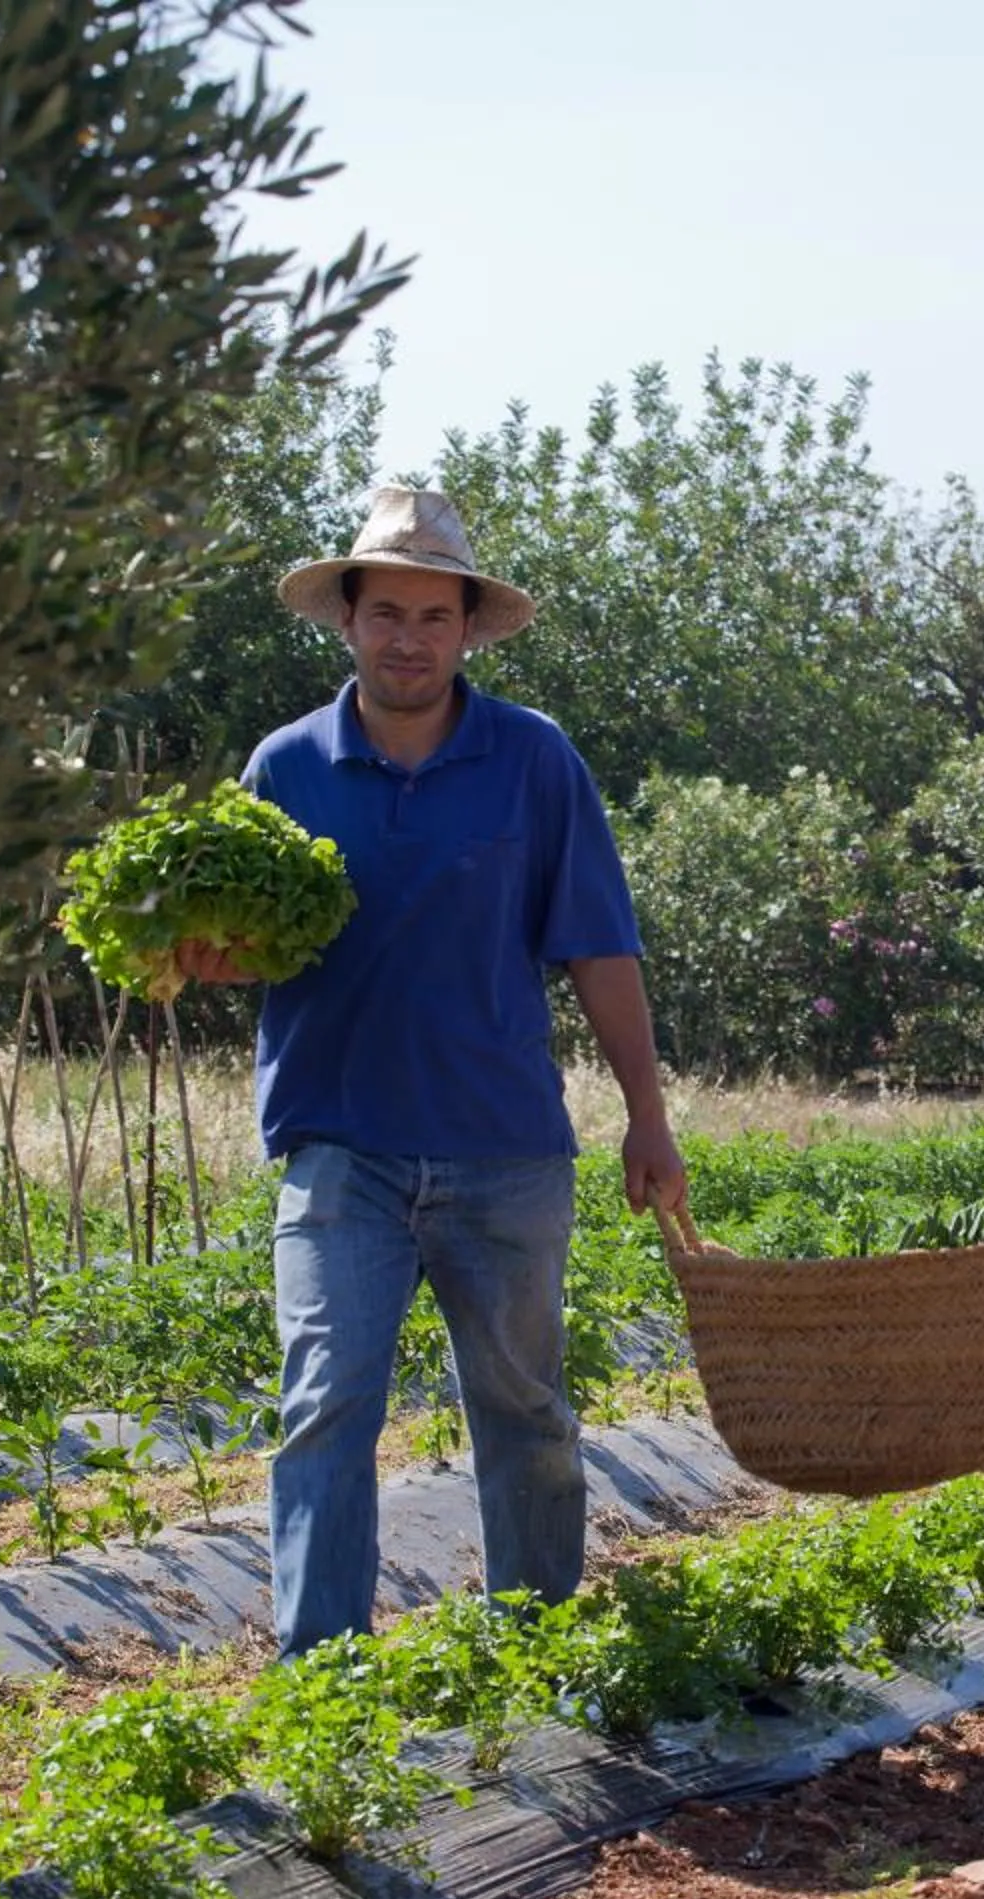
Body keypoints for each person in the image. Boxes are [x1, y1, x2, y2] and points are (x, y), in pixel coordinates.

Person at [177, 485, 688, 1658]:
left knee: (525, 1411)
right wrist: (206, 957)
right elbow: (247, 943)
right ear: (347, 621)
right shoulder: (287, 766)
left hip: (503, 1145)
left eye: (434, 616)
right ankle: (322, 1679)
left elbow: (599, 946)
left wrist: (647, 1114)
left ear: (467, 631)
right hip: (339, 1143)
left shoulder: (534, 759)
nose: (410, 636)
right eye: (387, 611)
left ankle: (538, 1639)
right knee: (325, 1407)